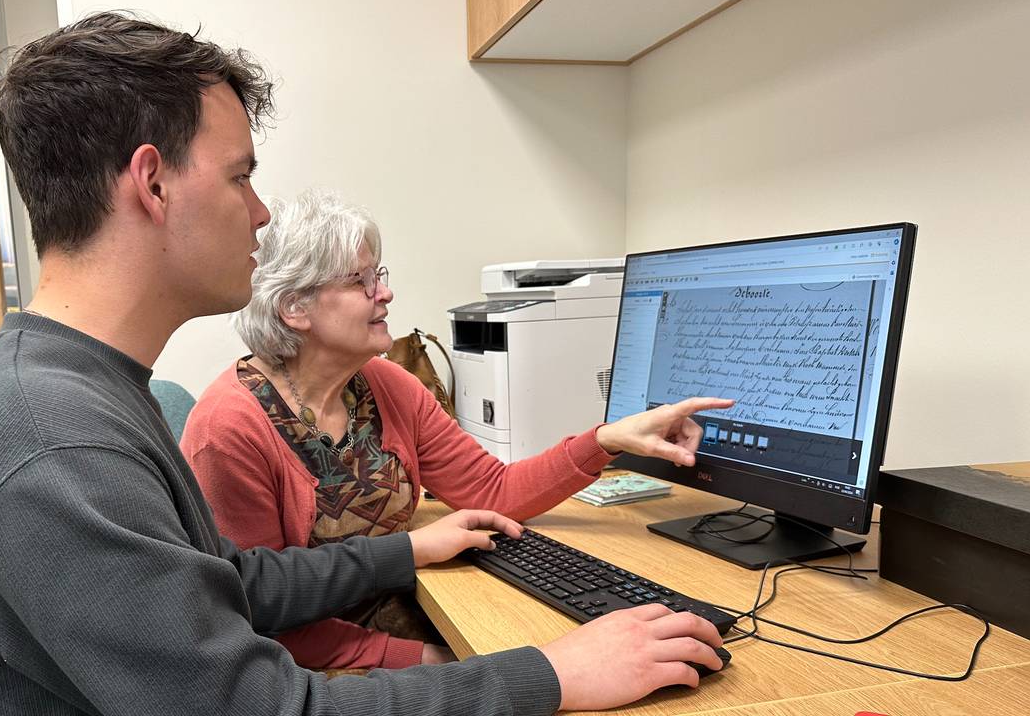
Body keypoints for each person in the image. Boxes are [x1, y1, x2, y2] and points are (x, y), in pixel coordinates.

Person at [0, 12, 725, 716]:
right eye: (241, 177)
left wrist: (405, 551)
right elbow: (257, 706)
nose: (261, 213)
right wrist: (546, 674)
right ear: (152, 184)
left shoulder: (83, 392)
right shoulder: (52, 442)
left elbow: (232, 583)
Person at [181, 190, 735, 670]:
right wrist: (428, 660)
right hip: (300, 663)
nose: (385, 293)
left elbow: (495, 492)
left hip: (392, 614)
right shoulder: (229, 429)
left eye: (380, 275)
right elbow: (256, 610)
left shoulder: (387, 385)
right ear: (293, 307)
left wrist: (608, 439)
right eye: (360, 281)